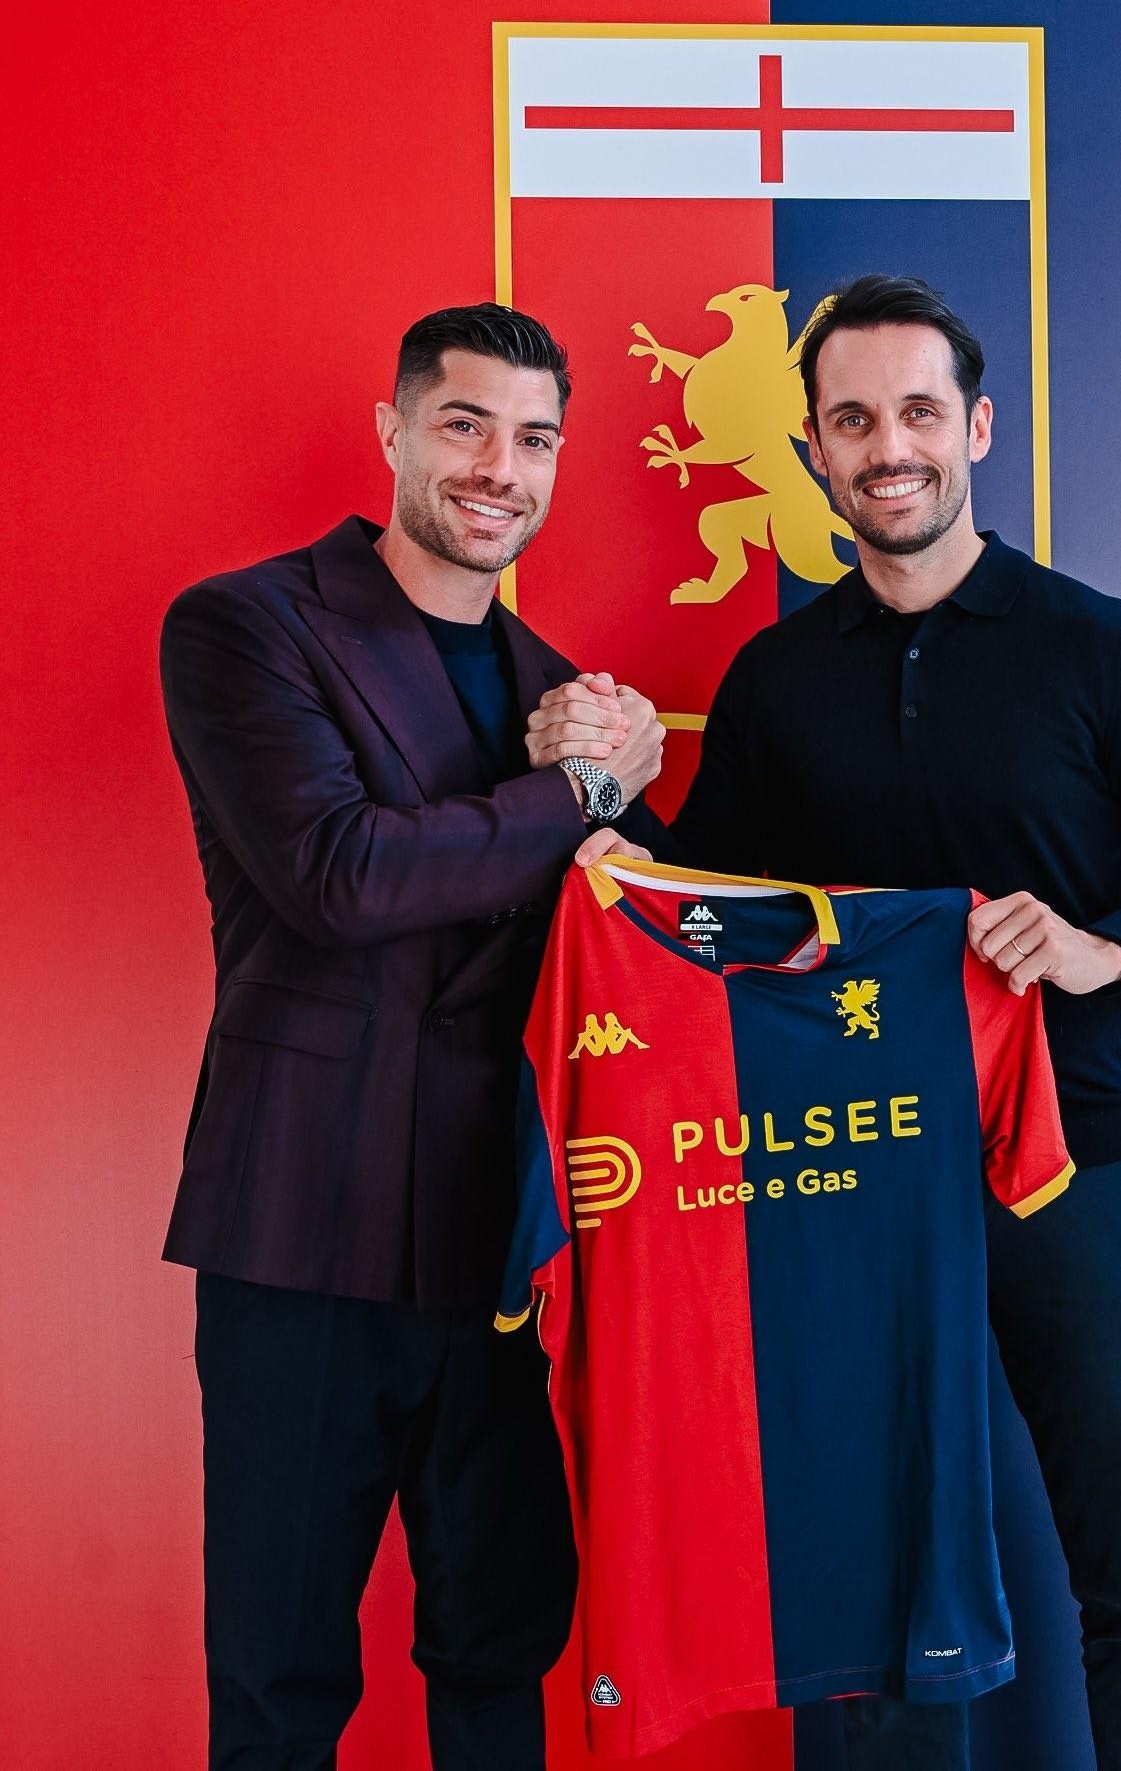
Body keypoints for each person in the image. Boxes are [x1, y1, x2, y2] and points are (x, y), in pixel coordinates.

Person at [549, 274, 1121, 1770]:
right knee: (877, 1591)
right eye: (855, 419)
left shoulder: (1098, 644)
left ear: (977, 428)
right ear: (814, 448)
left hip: (1083, 1168)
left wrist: (1102, 947)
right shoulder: (776, 677)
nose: (891, 448)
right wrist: (615, 814)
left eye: (920, 412)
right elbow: (713, 919)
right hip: (853, 1180)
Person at [159, 301, 665, 1769]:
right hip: (302, 1228)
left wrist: (633, 813)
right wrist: (581, 796)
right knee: (279, 1675)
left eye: (535, 439)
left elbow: (637, 937)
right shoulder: (246, 625)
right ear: (392, 433)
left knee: (501, 1653)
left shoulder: (562, 694)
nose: (500, 468)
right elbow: (342, 876)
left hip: (499, 1244)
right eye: (465, 424)